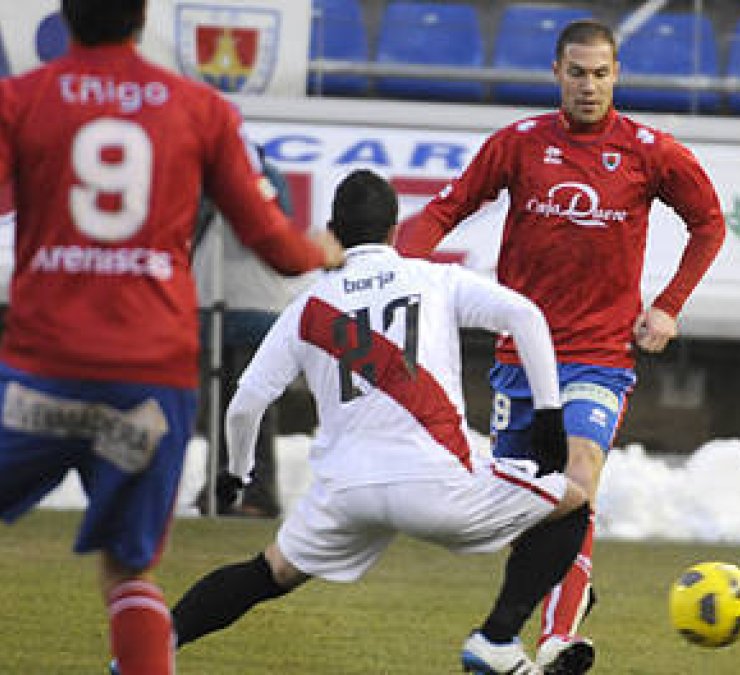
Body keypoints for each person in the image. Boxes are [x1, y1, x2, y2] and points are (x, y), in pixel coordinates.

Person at [0, 1, 344, 673]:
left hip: (44, 366)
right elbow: (272, 242)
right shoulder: (200, 108)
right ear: (144, 18)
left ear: (64, 18)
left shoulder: (21, 97)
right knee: (127, 574)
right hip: (149, 377)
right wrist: (319, 253)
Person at [397, 18, 726, 674]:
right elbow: (447, 208)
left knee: (578, 478)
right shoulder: (518, 144)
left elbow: (708, 222)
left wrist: (668, 304)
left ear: (617, 75)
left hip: (600, 355)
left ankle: (553, 641)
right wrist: (389, 267)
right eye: (577, 72)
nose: (589, 85)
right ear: (556, 73)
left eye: (601, 73)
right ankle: (565, 598)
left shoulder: (649, 150)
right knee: (524, 509)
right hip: (522, 356)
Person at [165, 170, 591, 675]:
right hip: (436, 481)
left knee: (269, 571)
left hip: (346, 491)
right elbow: (526, 316)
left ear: (333, 232)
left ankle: (145, 650)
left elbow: (246, 401)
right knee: (571, 504)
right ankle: (498, 637)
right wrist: (547, 413)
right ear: (394, 229)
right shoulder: (434, 279)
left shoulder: (307, 307)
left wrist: (237, 472)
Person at [193, 146, 309, 518]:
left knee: (253, 408)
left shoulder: (265, 179)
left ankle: (259, 493)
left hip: (256, 306)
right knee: (217, 409)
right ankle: (221, 487)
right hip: (215, 302)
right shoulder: (203, 180)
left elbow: (270, 224)